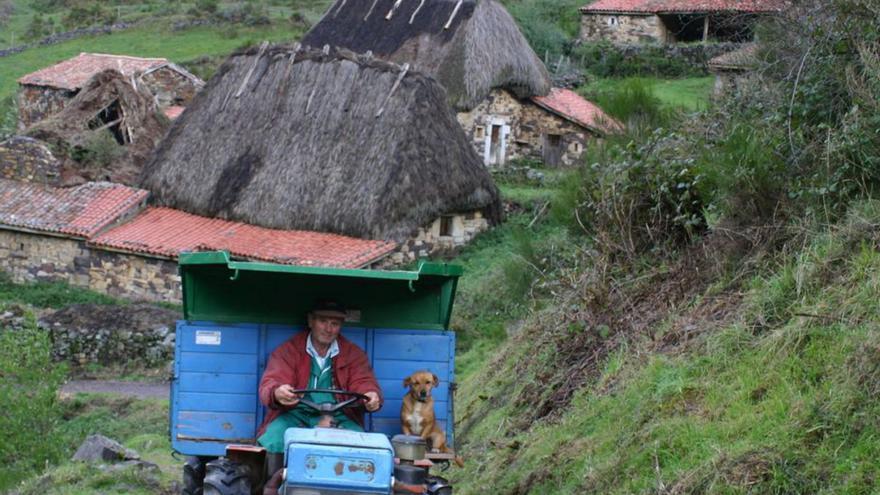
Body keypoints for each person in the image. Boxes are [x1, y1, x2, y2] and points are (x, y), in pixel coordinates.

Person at [256, 300, 382, 477]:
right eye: (323, 321)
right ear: (310, 321)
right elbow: (272, 381)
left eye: (335, 323)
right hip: (295, 415)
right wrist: (277, 392)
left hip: (339, 416)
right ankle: (273, 486)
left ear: (340, 326)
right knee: (276, 438)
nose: (328, 329)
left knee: (360, 442)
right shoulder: (289, 350)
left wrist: (371, 395)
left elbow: (364, 381)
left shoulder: (353, 354)